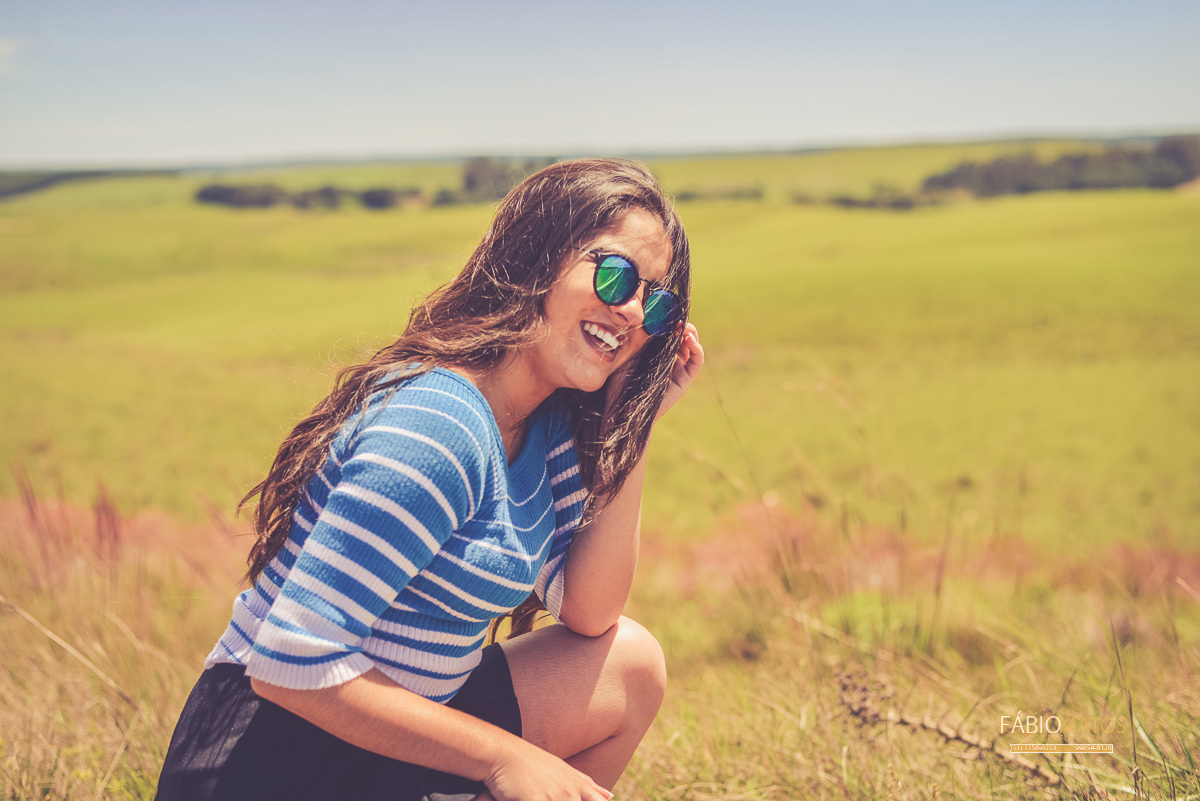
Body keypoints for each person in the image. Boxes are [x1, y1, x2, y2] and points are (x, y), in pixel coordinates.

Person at [155, 158, 704, 801]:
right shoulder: (439, 426)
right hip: (272, 758)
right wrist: (503, 759)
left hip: (389, 735)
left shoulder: (545, 422)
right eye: (615, 275)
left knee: (629, 666)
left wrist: (632, 423)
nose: (633, 310)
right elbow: (289, 661)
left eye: (657, 302)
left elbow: (591, 611)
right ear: (539, 256)